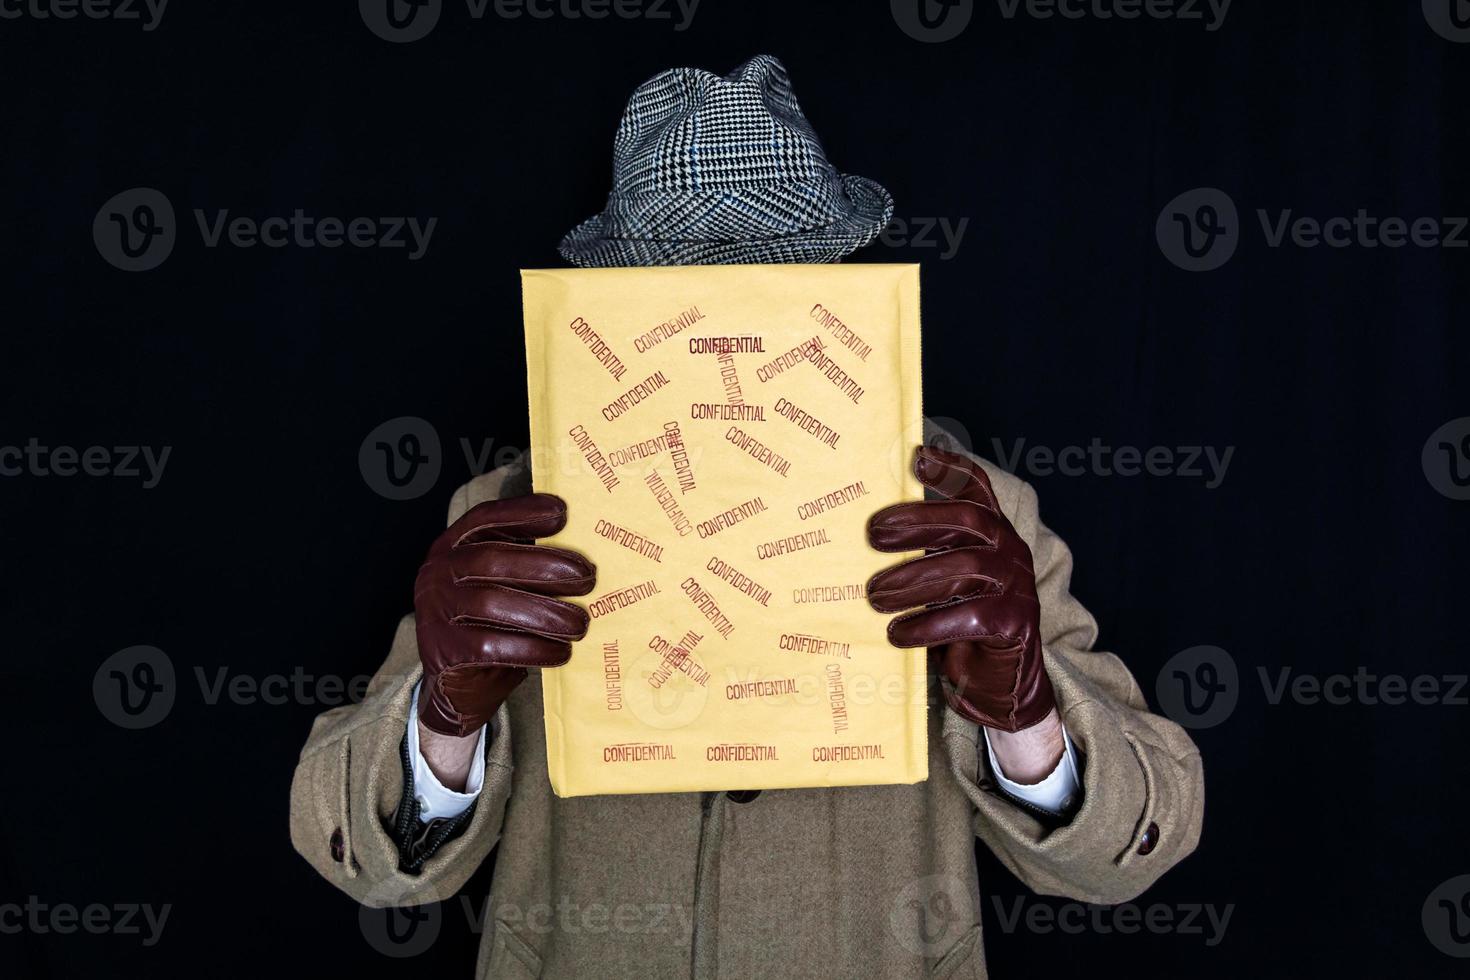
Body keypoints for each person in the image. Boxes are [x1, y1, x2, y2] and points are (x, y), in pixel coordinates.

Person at [290, 55, 1204, 980]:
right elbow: (366, 867)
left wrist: (1028, 720)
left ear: (840, 279)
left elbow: (1132, 853)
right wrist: (439, 725)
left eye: (774, 281)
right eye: (684, 287)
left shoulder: (973, 518)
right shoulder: (507, 517)